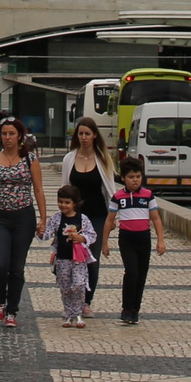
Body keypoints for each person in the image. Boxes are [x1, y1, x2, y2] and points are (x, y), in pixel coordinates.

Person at [0, 118, 43, 327]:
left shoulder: (30, 159)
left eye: (11, 134)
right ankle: (1, 298)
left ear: (19, 136)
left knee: (16, 266)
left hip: (23, 217)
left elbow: (38, 189)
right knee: (0, 263)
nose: (7, 138)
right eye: (4, 134)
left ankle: (12, 311)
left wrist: (43, 218)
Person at [60, 116, 115, 314]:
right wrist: (62, 214)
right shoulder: (69, 158)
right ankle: (72, 299)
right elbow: (65, 187)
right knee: (72, 258)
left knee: (92, 258)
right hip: (76, 217)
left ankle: (86, 301)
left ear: (94, 136)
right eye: (80, 134)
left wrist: (113, 215)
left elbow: (109, 189)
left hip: (98, 215)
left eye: (87, 134)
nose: (83, 137)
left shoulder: (102, 159)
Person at [107, 157, 167, 325]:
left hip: (144, 238)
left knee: (141, 275)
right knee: (131, 272)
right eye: (131, 177)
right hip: (127, 238)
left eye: (138, 176)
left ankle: (135, 310)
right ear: (124, 178)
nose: (135, 180)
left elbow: (156, 219)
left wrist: (160, 240)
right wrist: (105, 243)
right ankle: (126, 308)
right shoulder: (118, 197)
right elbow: (109, 220)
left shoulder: (148, 195)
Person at [45, 187, 98, 328]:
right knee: (65, 287)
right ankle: (68, 314)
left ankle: (78, 312)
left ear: (74, 203)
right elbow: (48, 232)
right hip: (62, 258)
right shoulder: (56, 218)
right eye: (60, 202)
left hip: (78, 259)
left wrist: (82, 238)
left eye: (67, 202)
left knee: (79, 285)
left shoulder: (82, 218)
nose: (63, 205)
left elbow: (92, 235)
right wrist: (39, 231)